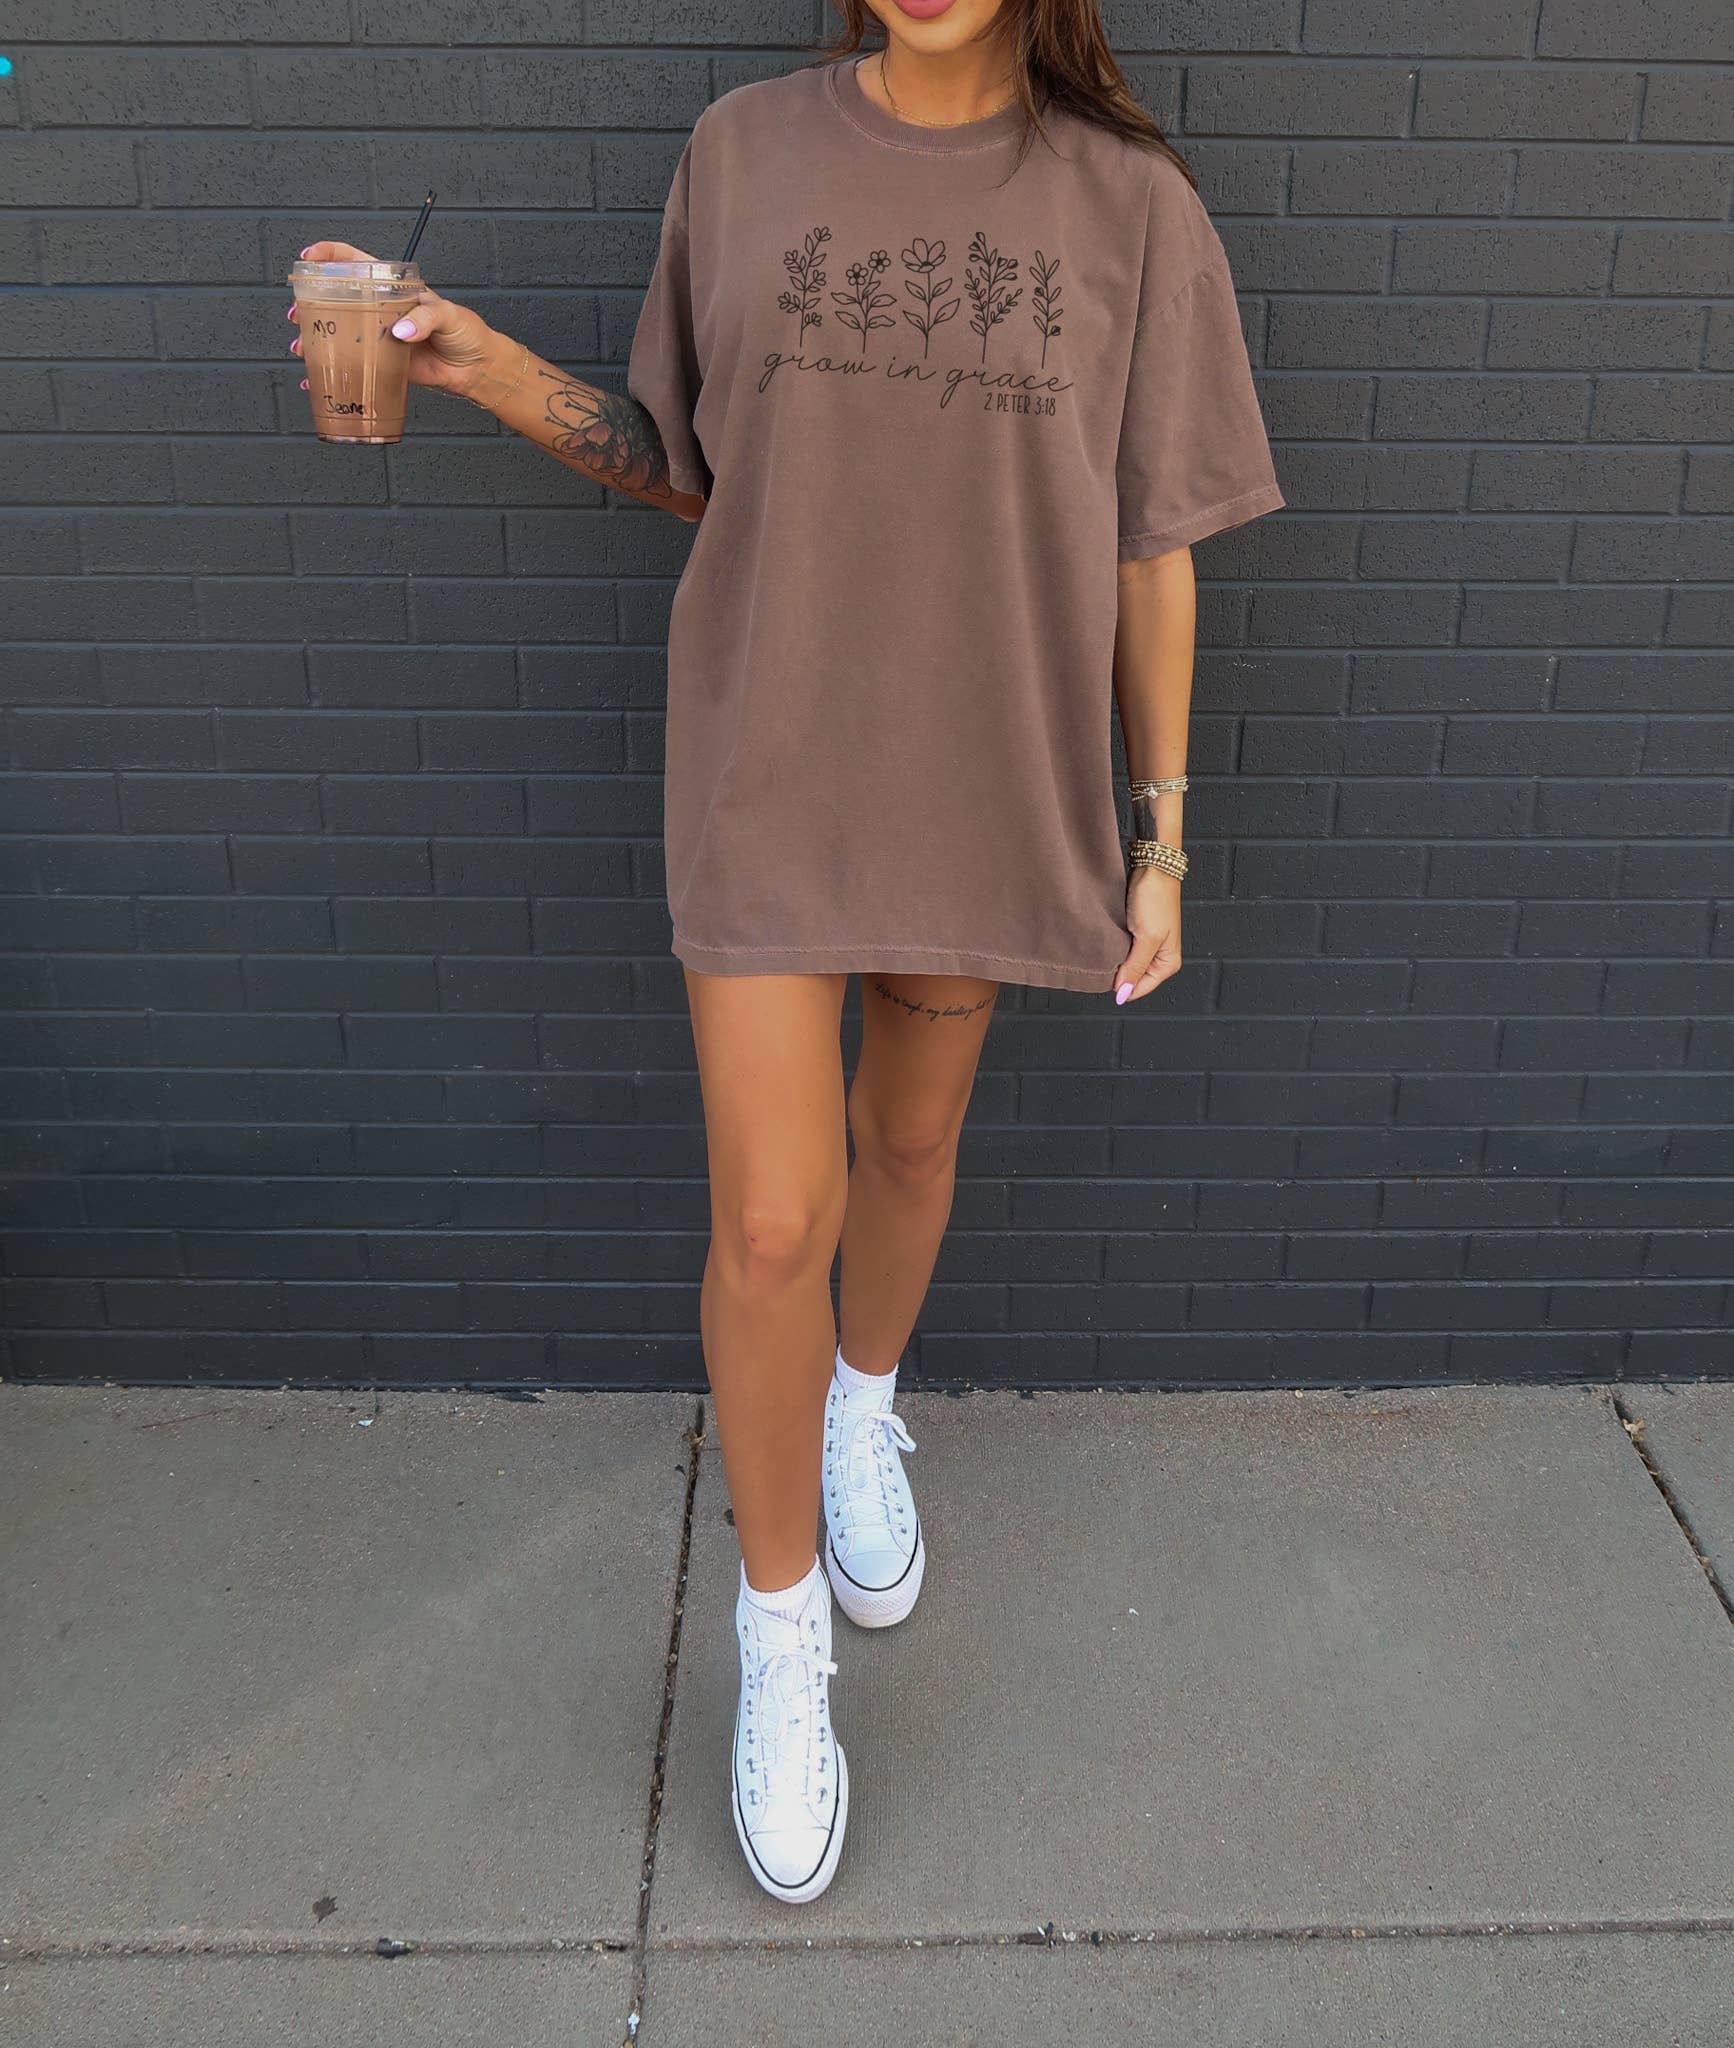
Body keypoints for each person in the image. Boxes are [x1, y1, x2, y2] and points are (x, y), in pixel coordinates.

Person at [288, 0, 1282, 1906]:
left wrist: (1159, 838)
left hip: (983, 767)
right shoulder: (743, 153)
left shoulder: (1130, 207)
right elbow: (684, 459)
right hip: (766, 756)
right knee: (767, 1221)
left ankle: (859, 1415)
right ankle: (777, 1638)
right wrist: (481, 363)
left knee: (908, 1146)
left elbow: (1154, 544)